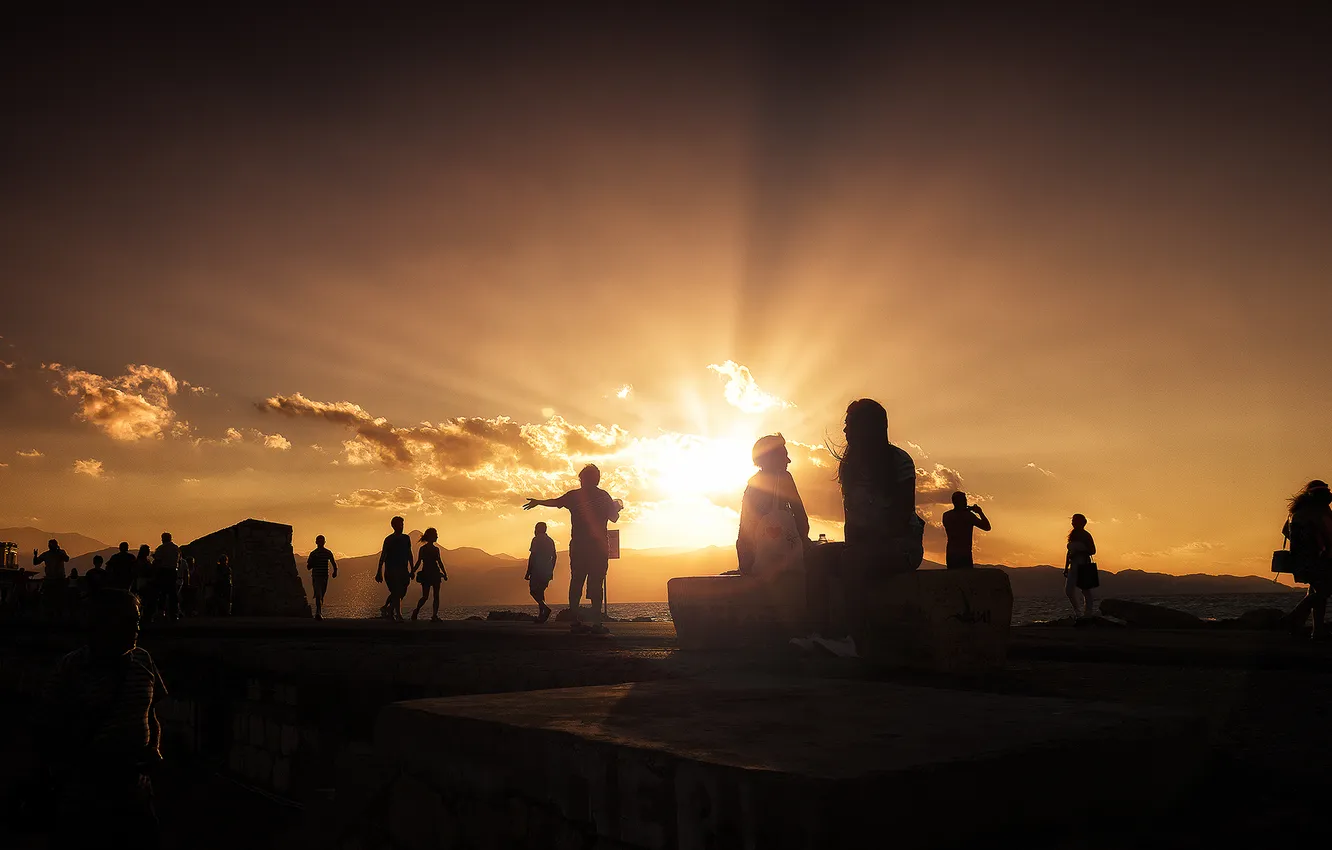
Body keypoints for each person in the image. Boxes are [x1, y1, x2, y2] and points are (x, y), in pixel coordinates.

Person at [38, 590, 165, 849]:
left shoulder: (143, 660)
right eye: (130, 621)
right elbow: (46, 725)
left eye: (138, 620)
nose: (138, 628)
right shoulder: (70, 668)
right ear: (105, 623)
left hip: (134, 787)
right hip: (84, 791)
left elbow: (151, 713)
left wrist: (154, 749)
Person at [524, 464, 622, 635]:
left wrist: (539, 502)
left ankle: (575, 622)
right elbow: (613, 518)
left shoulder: (574, 496)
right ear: (597, 478)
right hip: (598, 547)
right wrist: (617, 507)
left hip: (578, 546)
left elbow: (555, 502)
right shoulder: (603, 496)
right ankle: (597, 624)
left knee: (576, 581)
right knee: (596, 582)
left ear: (582, 479)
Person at [736, 434, 810, 578]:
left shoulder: (752, 483)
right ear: (770, 457)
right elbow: (801, 517)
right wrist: (804, 544)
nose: (788, 460)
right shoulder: (784, 478)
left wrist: (746, 562)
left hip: (754, 560)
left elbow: (744, 527)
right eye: (784, 455)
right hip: (781, 560)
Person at [1283, 480, 1332, 639]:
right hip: (1319, 559)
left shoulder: (1296, 512)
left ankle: (1317, 631)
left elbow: (1285, 531)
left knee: (1317, 591)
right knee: (1324, 591)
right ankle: (1293, 618)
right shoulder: (1319, 511)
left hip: (1300, 559)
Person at [375, 516, 413, 621]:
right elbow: (383, 555)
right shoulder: (389, 539)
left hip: (403, 570)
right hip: (391, 569)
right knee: (396, 592)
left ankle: (388, 609)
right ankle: (398, 614)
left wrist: (412, 568)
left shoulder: (406, 538)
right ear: (394, 526)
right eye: (400, 524)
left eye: (402, 524)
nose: (402, 526)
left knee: (402, 592)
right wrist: (379, 571)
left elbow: (409, 553)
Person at [942, 491, 992, 569]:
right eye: (965, 500)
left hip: (951, 553)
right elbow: (987, 527)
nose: (966, 502)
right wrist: (980, 512)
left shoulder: (946, 515)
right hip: (965, 554)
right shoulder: (968, 516)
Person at [409, 527, 447, 622]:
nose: (437, 536)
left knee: (427, 596)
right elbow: (439, 562)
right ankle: (427, 614)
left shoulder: (425, 549)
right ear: (431, 537)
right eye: (435, 535)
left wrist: (413, 571)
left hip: (428, 574)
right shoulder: (433, 549)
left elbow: (419, 562)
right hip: (432, 574)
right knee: (433, 596)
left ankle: (430, 614)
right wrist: (412, 571)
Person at [1064, 514, 1097, 620]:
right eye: (1072, 521)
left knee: (1086, 590)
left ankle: (1088, 614)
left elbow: (1093, 551)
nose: (1072, 523)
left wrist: (1079, 551)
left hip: (1084, 564)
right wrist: (1065, 567)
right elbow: (1068, 553)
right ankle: (1078, 613)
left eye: (1074, 521)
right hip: (1073, 565)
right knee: (1068, 590)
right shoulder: (1072, 535)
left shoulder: (1086, 535)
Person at [525, 522, 557, 623]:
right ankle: (541, 615)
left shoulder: (536, 539)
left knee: (533, 591)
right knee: (541, 591)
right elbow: (555, 556)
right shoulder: (550, 540)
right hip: (547, 569)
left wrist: (528, 571)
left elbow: (533, 556)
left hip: (537, 569)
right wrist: (551, 568)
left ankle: (545, 608)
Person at [34, 538, 71, 620]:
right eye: (50, 545)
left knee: (59, 599)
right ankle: (50, 615)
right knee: (49, 599)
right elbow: (36, 562)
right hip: (50, 580)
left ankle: (59, 615)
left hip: (59, 579)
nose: (51, 546)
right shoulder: (46, 554)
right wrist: (35, 556)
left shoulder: (61, 553)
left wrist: (59, 551)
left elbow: (67, 559)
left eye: (52, 545)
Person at [306, 535, 338, 621]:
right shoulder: (313, 554)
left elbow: (333, 563)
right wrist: (314, 561)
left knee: (321, 595)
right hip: (316, 577)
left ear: (324, 542)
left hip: (324, 577)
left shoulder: (328, 552)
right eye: (319, 541)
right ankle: (318, 613)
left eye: (322, 541)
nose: (320, 542)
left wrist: (335, 571)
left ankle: (319, 612)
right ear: (316, 542)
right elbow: (308, 567)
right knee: (318, 595)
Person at [151, 533, 180, 623]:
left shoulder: (161, 548)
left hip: (163, 572)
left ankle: (161, 613)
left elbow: (158, 561)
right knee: (173, 593)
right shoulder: (176, 548)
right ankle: (174, 613)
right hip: (173, 571)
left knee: (162, 593)